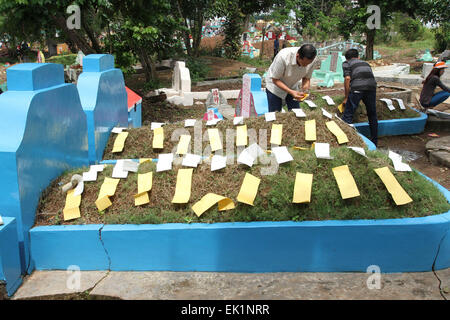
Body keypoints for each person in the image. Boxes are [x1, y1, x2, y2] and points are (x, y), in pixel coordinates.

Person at [265, 44, 319, 112]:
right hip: (275, 86)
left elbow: (306, 78)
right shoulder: (283, 57)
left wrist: (305, 89)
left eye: (308, 64)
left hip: (292, 86)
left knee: (296, 112)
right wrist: (291, 92)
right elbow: (275, 79)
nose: (306, 66)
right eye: (304, 63)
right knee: (275, 113)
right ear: (297, 56)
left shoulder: (311, 59)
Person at [341, 48, 378, 146]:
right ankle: (374, 142)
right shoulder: (365, 63)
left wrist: (346, 97)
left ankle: (346, 142)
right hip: (371, 87)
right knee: (372, 114)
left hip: (357, 87)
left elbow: (347, 78)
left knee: (348, 115)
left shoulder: (346, 63)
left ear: (346, 58)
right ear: (358, 56)